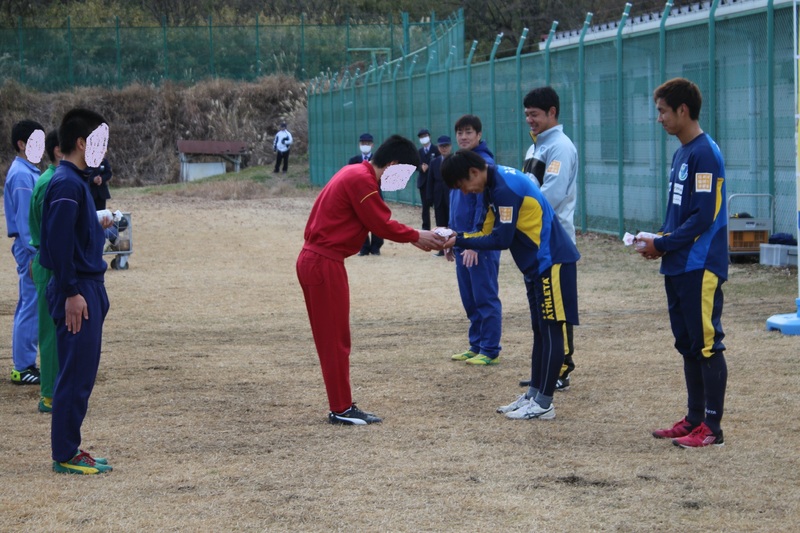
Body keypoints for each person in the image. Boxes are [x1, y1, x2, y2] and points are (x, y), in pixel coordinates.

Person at [296, 135, 445, 425]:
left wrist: (415, 238)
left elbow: (377, 222)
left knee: (334, 338)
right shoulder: (361, 180)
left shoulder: (355, 173)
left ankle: (341, 405)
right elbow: (380, 223)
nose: (403, 180)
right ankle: (340, 408)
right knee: (335, 340)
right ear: (391, 165)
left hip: (320, 260)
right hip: (323, 262)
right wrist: (419, 236)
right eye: (404, 172)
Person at [441, 150, 580, 420]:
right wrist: (456, 236)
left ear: (473, 173)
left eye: (463, 186)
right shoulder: (492, 185)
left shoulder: (503, 187)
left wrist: (459, 240)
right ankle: (533, 395)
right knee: (539, 329)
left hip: (552, 262)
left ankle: (545, 404)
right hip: (536, 266)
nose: (466, 192)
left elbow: (501, 239)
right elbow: (485, 231)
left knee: (550, 330)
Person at [637, 78, 728, 448]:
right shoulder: (681, 153)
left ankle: (713, 429)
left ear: (682, 111)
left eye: (662, 111)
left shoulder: (705, 153)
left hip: (700, 264)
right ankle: (693, 419)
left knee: (707, 343)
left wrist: (665, 243)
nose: (659, 118)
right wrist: (655, 238)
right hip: (677, 263)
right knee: (688, 343)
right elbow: (679, 214)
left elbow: (703, 215)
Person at [40, 108, 114, 474]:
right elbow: (57, 243)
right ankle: (65, 453)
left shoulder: (76, 181)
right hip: (78, 290)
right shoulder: (67, 183)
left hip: (87, 286)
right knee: (74, 374)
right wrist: (71, 291)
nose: (104, 150)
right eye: (99, 141)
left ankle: (71, 447)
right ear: (83, 142)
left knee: (81, 373)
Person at [519, 86, 579, 391]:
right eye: (527, 114)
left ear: (552, 113)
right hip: (534, 240)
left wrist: (520, 216)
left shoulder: (561, 147)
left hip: (555, 241)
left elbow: (551, 195)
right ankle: (545, 366)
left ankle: (561, 368)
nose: (530, 120)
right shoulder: (534, 147)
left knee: (556, 310)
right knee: (541, 313)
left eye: (535, 114)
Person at [447, 115, 502, 365]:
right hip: (462, 242)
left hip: (479, 244)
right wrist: (451, 238)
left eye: (468, 132)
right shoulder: (459, 163)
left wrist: (475, 243)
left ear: (479, 135)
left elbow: (485, 208)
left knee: (484, 295)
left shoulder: (483, 165)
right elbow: (455, 203)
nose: (463, 137)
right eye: (459, 132)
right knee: (469, 296)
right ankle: (476, 344)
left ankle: (490, 349)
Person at [4, 119, 44, 385]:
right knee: (29, 306)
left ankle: (25, 363)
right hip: (30, 250)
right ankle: (23, 366)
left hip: (31, 249)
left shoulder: (28, 171)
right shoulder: (21, 174)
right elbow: (25, 220)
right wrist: (35, 253)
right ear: (22, 144)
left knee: (30, 305)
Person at [29, 130, 61, 413]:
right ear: (59, 151)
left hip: (48, 260)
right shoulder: (51, 183)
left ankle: (57, 387)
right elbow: (50, 233)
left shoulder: (53, 180)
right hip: (50, 263)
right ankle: (49, 394)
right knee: (51, 331)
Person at [349, 133, 383, 256]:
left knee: (377, 220)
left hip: (375, 193)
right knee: (360, 220)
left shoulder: (378, 160)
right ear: (359, 145)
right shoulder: (354, 161)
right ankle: (363, 247)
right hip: (359, 196)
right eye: (363, 143)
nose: (365, 146)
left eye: (368, 143)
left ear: (372, 145)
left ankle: (376, 247)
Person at [427, 135, 452, 246]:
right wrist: (430, 197)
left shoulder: (455, 160)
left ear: (450, 146)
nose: (444, 148)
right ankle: (442, 247)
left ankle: (453, 246)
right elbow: (430, 181)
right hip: (438, 197)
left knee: (452, 222)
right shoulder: (434, 162)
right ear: (438, 147)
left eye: (446, 146)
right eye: (441, 146)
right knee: (440, 223)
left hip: (451, 196)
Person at [416, 128, 440, 230]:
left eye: (425, 136)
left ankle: (440, 226)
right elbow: (415, 164)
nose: (423, 138)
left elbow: (440, 163)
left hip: (435, 182)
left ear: (429, 137)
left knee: (438, 206)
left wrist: (430, 167)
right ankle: (426, 228)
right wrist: (421, 167)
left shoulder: (436, 149)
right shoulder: (419, 152)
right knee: (425, 207)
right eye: (421, 137)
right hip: (423, 183)